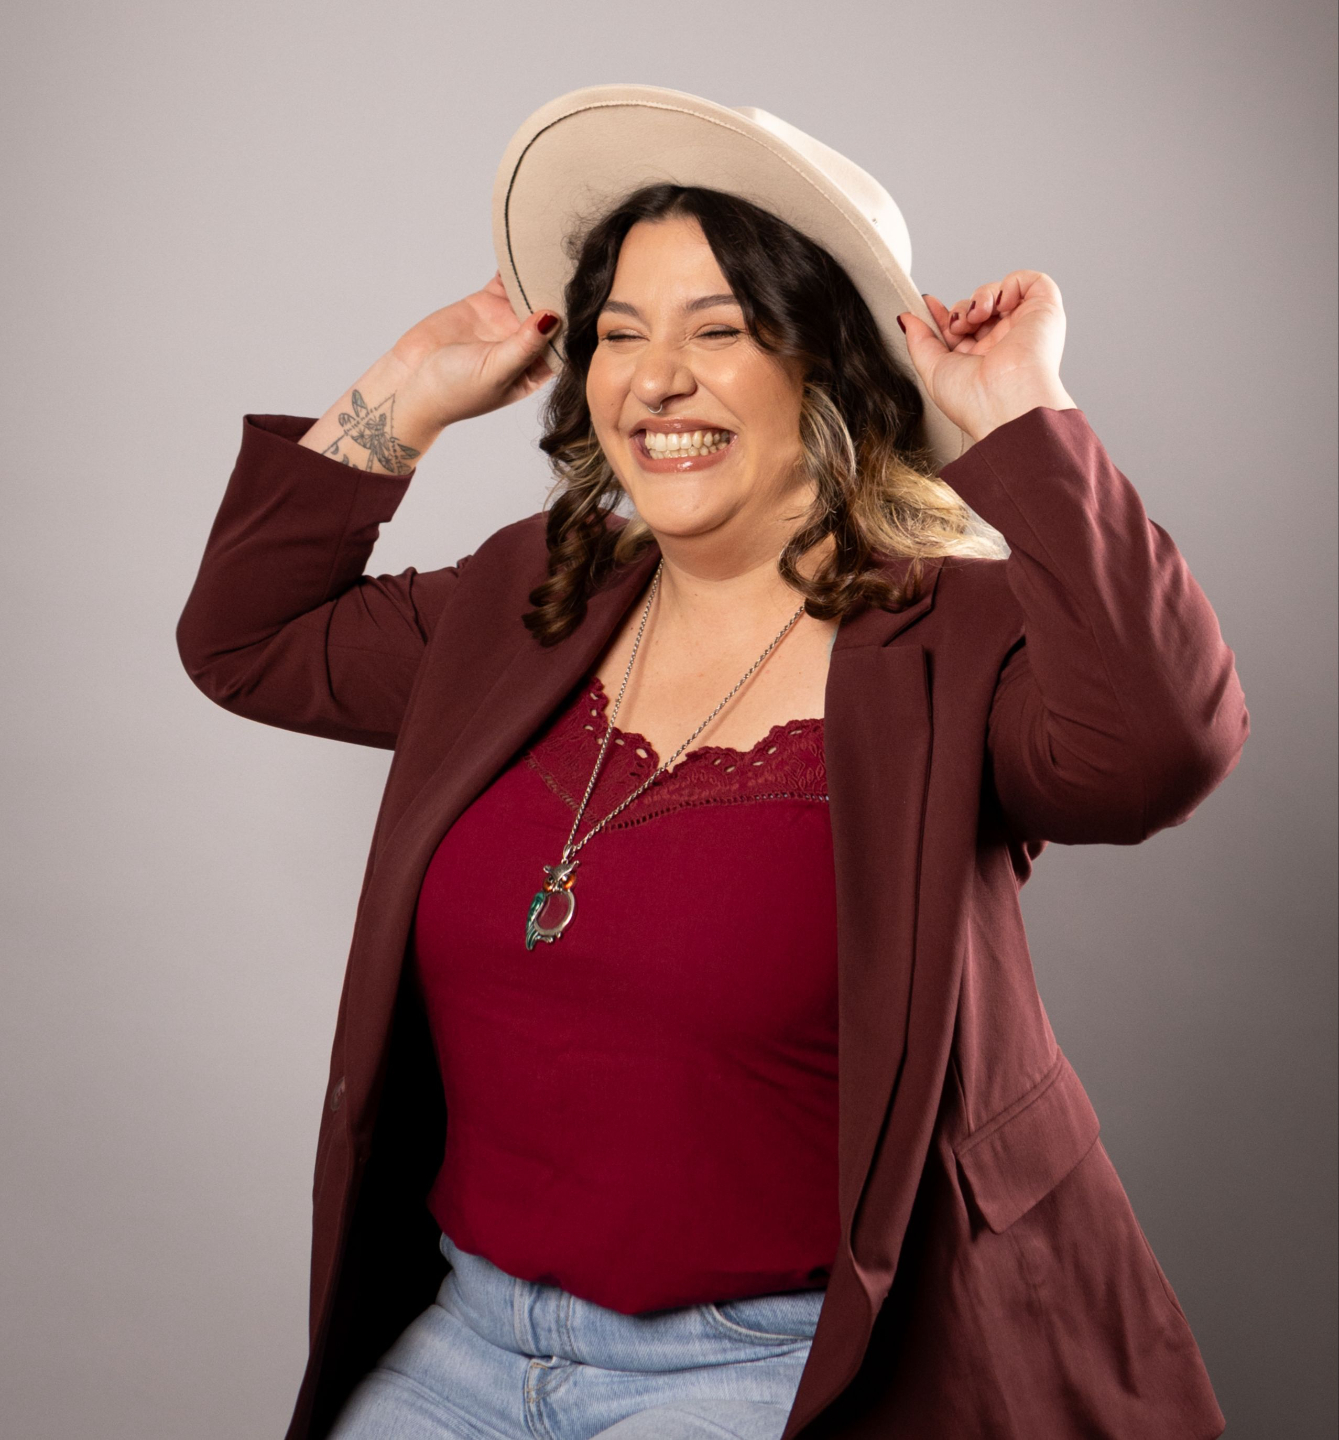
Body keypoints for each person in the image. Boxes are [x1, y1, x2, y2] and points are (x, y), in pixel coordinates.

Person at [177, 87, 1248, 1440]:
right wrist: (410, 383)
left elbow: (1163, 747)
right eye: (620, 333)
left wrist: (1017, 412)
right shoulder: (527, 598)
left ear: (831, 364)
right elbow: (245, 641)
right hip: (471, 1335)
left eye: (719, 330)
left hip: (773, 1363)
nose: (654, 378)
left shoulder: (950, 641)